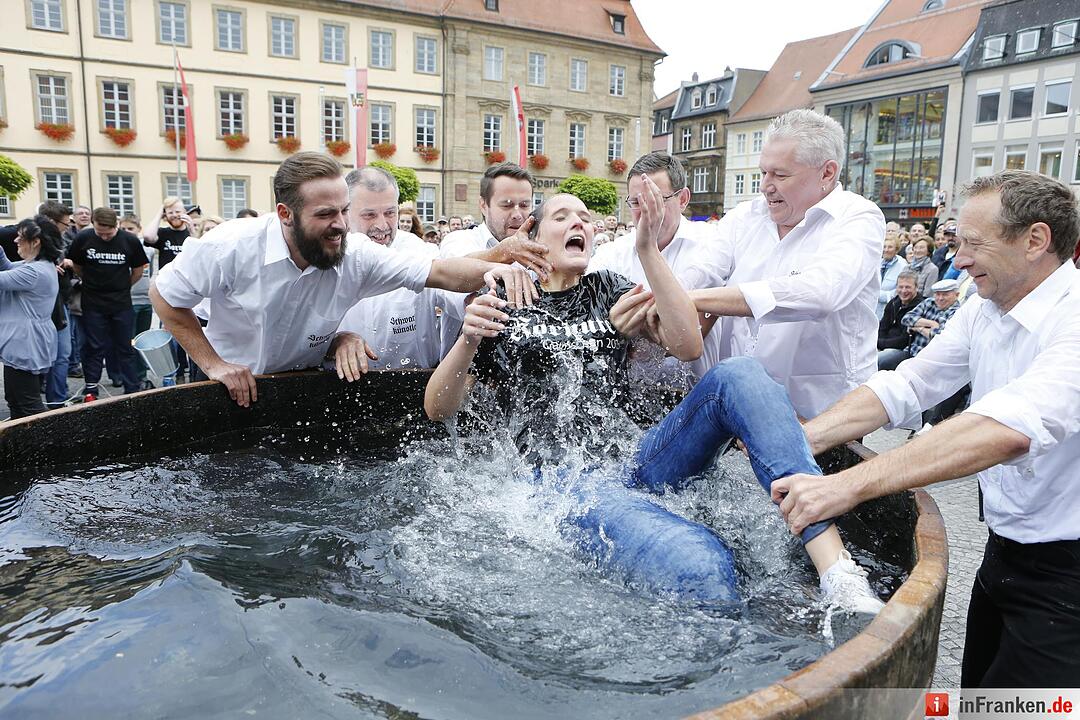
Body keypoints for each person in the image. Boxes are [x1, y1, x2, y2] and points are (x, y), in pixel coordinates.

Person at [425, 187, 883, 613]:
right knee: (701, 562)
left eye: (585, 218)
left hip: (632, 460)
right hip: (559, 482)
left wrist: (646, 249)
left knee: (739, 374)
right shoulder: (505, 296)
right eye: (562, 217)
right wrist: (467, 340)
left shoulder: (607, 288)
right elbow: (438, 410)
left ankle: (836, 568)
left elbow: (687, 346)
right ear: (533, 235)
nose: (578, 224)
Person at [772, 170, 1080, 688]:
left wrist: (843, 486)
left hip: (1068, 572)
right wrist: (806, 437)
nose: (957, 260)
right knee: (979, 697)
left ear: (1035, 240)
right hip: (1004, 551)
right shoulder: (984, 307)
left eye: (971, 244)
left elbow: (1004, 429)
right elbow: (909, 385)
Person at [151, 151, 532, 408]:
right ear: (285, 213)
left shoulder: (356, 253)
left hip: (305, 387)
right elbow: (165, 296)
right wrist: (215, 364)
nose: (339, 225)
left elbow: (443, 271)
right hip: (234, 389)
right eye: (325, 214)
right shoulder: (229, 246)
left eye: (344, 211)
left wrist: (496, 267)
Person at [680, 109, 885, 419]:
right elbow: (701, 271)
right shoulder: (745, 217)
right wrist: (669, 294)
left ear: (826, 173)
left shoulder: (858, 218)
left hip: (820, 416)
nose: (765, 185)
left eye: (780, 174)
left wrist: (693, 299)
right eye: (763, 173)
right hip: (737, 411)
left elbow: (821, 293)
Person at [589, 152, 723, 381]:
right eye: (636, 202)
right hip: (628, 399)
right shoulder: (610, 253)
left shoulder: (712, 243)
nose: (646, 209)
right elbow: (590, 323)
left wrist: (631, 327)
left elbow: (693, 333)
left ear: (683, 199)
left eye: (655, 199)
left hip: (696, 396)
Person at [437, 162, 551, 355]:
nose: (517, 214)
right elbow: (454, 274)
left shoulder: (541, 247)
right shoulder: (459, 239)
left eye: (524, 205)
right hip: (465, 376)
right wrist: (506, 252)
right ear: (483, 205)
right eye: (506, 205)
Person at [337, 167, 442, 371]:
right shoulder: (326, 256)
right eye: (369, 215)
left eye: (390, 213)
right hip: (341, 386)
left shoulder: (419, 251)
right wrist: (333, 343)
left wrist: (471, 299)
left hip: (414, 384)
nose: (382, 224)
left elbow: (452, 291)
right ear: (346, 212)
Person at [67, 207, 147, 400]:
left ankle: (132, 387)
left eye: (108, 234)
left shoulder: (130, 241)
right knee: (94, 347)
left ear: (116, 226)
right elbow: (77, 265)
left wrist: (122, 285)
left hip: (121, 302)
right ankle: (91, 388)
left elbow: (138, 269)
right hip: (92, 301)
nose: (104, 237)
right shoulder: (83, 239)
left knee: (125, 346)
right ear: (93, 224)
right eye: (99, 233)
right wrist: (89, 281)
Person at [0, 218, 61, 419]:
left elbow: (7, 276)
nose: (16, 240)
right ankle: (23, 447)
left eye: (21, 236)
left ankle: (53, 446)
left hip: (25, 343)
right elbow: (8, 267)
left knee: (29, 405)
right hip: (23, 341)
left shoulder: (34, 272)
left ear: (35, 242)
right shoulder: (38, 265)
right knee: (16, 401)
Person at [876, 278, 960, 372]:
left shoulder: (958, 313)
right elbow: (907, 318)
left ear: (957, 295)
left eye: (945, 295)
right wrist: (931, 324)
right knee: (880, 359)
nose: (940, 298)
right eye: (937, 294)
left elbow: (939, 336)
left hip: (930, 360)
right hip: (911, 351)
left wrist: (917, 327)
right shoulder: (929, 302)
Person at [119, 214, 157, 390]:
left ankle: (142, 375)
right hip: (129, 300)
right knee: (130, 341)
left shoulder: (148, 250)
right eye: (124, 228)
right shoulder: (119, 248)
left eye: (130, 229)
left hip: (146, 300)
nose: (127, 232)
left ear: (139, 229)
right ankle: (131, 377)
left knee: (141, 340)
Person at [877, 270, 922, 364]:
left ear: (916, 287)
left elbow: (904, 340)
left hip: (904, 350)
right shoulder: (893, 303)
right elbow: (882, 327)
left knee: (877, 360)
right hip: (883, 344)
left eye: (908, 287)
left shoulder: (920, 307)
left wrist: (879, 344)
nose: (903, 291)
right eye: (900, 287)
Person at [877, 234, 909, 319]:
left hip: (890, 309)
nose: (886, 250)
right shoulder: (877, 263)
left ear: (897, 249)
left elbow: (901, 290)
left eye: (890, 247)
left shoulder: (903, 265)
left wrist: (878, 295)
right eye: (884, 247)